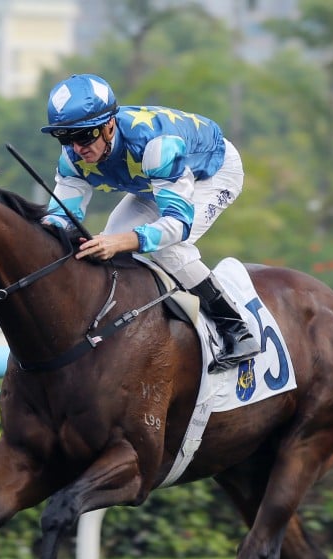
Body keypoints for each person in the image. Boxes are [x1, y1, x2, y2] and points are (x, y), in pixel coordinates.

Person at [39, 73, 258, 372]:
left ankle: (236, 329)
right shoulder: (72, 157)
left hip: (211, 173)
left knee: (166, 248)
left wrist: (118, 241)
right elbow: (60, 218)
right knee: (111, 241)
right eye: (65, 138)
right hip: (153, 182)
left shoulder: (157, 146)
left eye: (84, 136)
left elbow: (177, 225)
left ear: (109, 125)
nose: (77, 148)